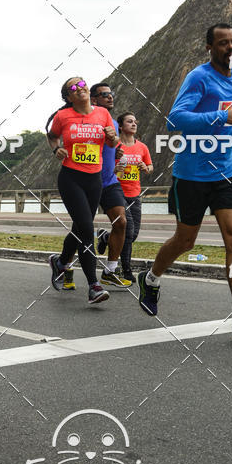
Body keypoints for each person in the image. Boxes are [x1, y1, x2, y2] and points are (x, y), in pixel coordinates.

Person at [137, 24, 232, 341]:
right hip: (192, 174)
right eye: (223, 43)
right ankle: (151, 279)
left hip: (226, 171)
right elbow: (176, 119)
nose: (230, 47)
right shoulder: (198, 77)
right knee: (185, 242)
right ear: (210, 47)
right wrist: (223, 118)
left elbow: (231, 125)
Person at [46, 77, 118, 304]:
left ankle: (60, 263)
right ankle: (94, 285)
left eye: (82, 84)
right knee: (87, 228)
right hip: (71, 178)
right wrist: (56, 149)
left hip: (94, 179)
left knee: (80, 226)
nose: (80, 89)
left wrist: (112, 137)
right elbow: (52, 135)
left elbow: (112, 144)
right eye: (73, 88)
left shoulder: (102, 114)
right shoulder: (62, 116)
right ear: (68, 97)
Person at [63, 82, 132, 289]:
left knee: (121, 222)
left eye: (111, 94)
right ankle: (63, 264)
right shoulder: (87, 119)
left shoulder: (110, 120)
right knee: (81, 229)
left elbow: (112, 145)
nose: (110, 97)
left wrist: (116, 150)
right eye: (104, 95)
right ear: (93, 99)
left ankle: (109, 271)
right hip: (88, 181)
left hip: (109, 181)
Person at [115, 113, 153, 281]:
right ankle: (127, 270)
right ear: (121, 126)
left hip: (135, 193)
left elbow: (150, 167)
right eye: (129, 121)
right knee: (128, 232)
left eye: (135, 121)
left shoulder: (142, 147)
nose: (133, 124)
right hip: (117, 193)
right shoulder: (115, 146)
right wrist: (118, 167)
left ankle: (105, 237)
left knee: (134, 233)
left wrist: (145, 167)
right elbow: (108, 170)